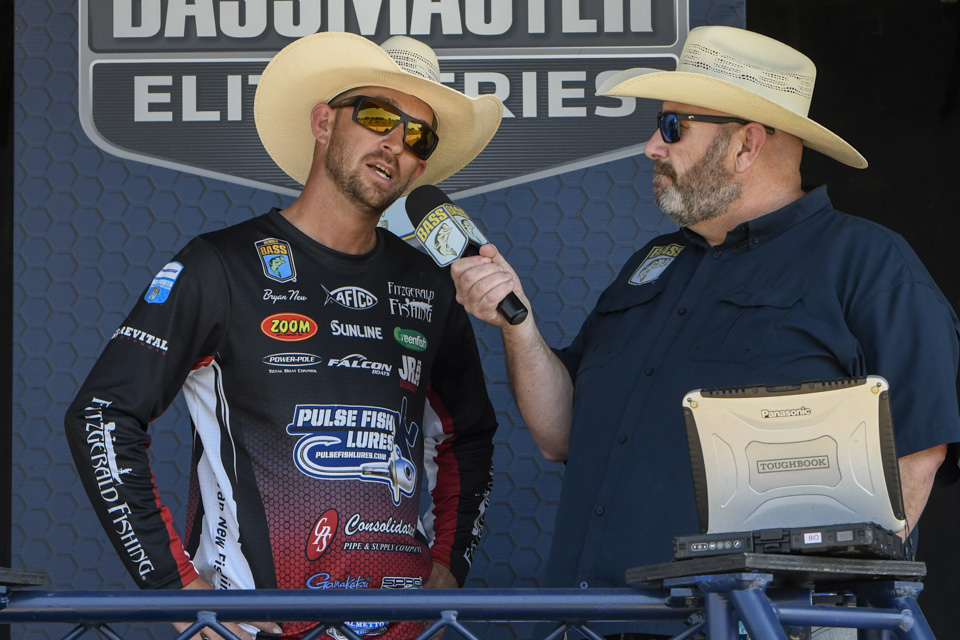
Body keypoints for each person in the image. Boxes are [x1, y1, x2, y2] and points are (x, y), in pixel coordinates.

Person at [450, 25, 960, 638]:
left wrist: (814, 615)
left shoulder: (868, 263)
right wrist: (520, 326)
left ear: (746, 144)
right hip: (589, 624)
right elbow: (560, 435)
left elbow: (918, 454)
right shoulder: (653, 262)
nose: (652, 147)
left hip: (750, 626)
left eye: (672, 127)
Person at [64, 32, 503, 640]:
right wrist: (174, 587)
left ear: (420, 166)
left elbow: (469, 435)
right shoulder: (221, 266)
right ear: (323, 123)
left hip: (399, 629)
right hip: (254, 628)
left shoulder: (428, 284)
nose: (395, 143)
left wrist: (449, 563)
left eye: (417, 137)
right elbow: (102, 414)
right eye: (378, 117)